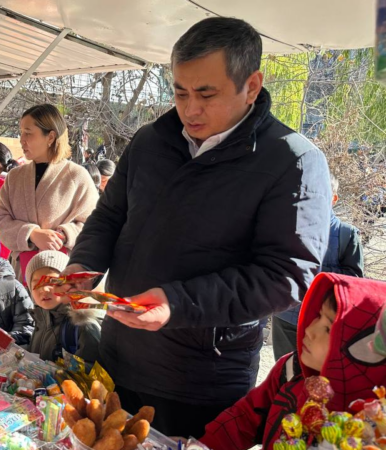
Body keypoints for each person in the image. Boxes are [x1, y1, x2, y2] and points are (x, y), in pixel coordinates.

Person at [62, 18, 332, 437]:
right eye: (180, 92)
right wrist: (80, 270)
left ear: (253, 86)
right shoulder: (150, 141)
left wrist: (178, 302)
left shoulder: (292, 161)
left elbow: (286, 276)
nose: (190, 109)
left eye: (207, 94)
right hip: (117, 355)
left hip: (200, 380)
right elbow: (110, 217)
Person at [200, 273, 386, 450]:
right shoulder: (291, 371)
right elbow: (246, 417)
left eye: (329, 329)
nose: (310, 330)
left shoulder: (373, 424)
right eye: (318, 316)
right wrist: (204, 445)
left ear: (364, 350)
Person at [0, 104, 99, 283]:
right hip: (21, 275)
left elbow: (95, 224)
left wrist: (65, 234)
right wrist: (31, 234)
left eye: (28, 133)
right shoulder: (15, 177)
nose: (21, 140)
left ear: (50, 136)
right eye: (21, 133)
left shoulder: (77, 176)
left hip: (61, 275)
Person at [272, 173, 365, 360]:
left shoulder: (346, 234)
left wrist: (314, 276)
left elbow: (354, 282)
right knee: (284, 376)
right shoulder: (286, 227)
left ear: (334, 198)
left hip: (324, 322)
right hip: (286, 317)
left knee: (318, 379)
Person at [26, 250, 103, 364]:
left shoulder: (83, 323)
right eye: (36, 284)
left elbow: (91, 370)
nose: (44, 289)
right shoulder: (40, 318)